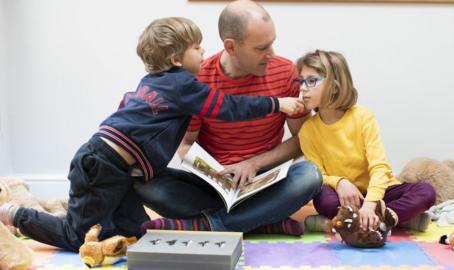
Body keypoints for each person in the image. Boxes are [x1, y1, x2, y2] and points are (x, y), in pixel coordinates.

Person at [0, 17, 305, 251]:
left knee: (136, 233)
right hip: (103, 165)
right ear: (176, 59)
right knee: (77, 236)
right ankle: (15, 214)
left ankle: (239, 220)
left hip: (113, 167)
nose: (202, 52)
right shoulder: (184, 84)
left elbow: (126, 110)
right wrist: (276, 103)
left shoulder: (152, 81)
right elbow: (227, 107)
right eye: (197, 48)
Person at [137, 0, 322, 236]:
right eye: (261, 48)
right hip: (214, 186)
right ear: (231, 47)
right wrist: (215, 174)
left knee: (310, 175)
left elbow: (302, 139)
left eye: (272, 43)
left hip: (264, 183)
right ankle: (258, 220)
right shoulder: (196, 79)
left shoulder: (286, 72)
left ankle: (211, 224)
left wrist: (253, 164)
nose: (271, 54)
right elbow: (186, 143)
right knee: (143, 179)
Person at [297, 49, 436, 232]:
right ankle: (391, 221)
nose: (302, 87)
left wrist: (371, 203)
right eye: (301, 81)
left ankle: (365, 219)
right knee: (323, 199)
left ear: (334, 84)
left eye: (311, 81)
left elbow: (379, 167)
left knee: (427, 191)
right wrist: (340, 182)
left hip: (378, 194)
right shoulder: (307, 130)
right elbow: (318, 175)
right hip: (345, 197)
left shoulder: (363, 117)